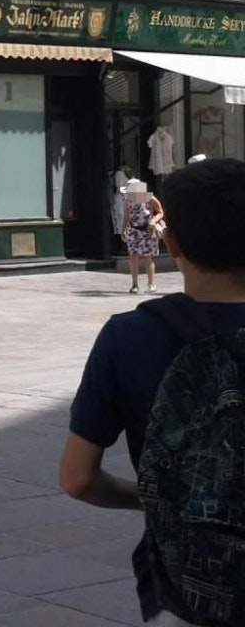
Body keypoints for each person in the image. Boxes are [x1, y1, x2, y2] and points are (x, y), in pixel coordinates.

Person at [60, 158, 245, 627]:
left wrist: (158, 497)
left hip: (187, 588)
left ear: (172, 241)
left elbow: (77, 478)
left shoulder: (129, 337)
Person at [122, 178, 166, 295]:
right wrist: (123, 230)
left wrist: (154, 220)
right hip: (133, 229)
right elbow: (127, 215)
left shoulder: (149, 198)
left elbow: (160, 211)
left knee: (148, 257)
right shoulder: (127, 200)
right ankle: (134, 284)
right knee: (133, 257)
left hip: (147, 230)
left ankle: (151, 283)